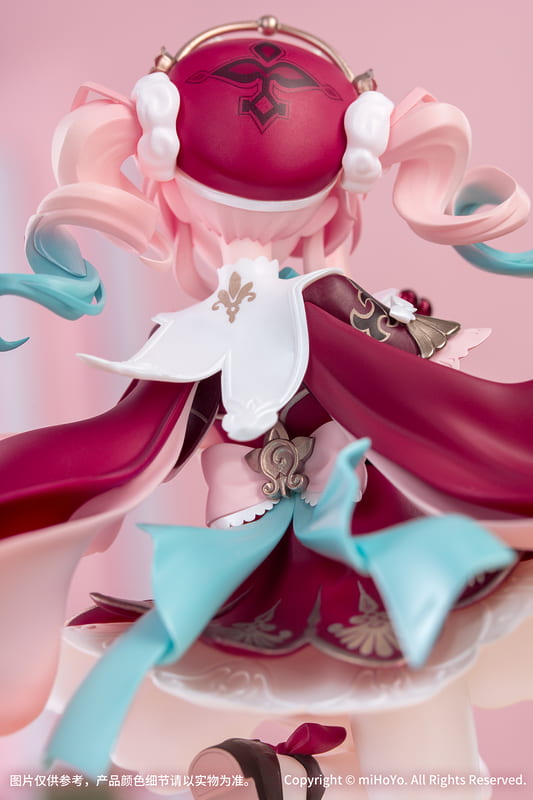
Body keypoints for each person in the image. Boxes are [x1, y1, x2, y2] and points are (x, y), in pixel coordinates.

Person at [0, 14, 532, 780]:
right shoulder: (238, 323)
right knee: (372, 706)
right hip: (271, 554)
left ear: (169, 195)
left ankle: (312, 774)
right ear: (336, 198)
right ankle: (308, 775)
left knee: (397, 702)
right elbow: (146, 442)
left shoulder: (238, 323)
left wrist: (86, 513)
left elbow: (140, 444)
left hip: (354, 546)